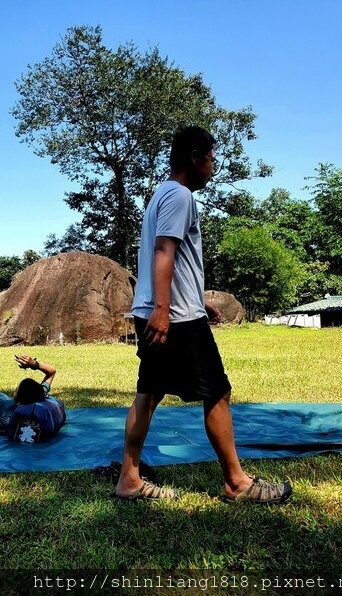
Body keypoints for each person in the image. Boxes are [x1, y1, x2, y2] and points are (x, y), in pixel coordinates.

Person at [115, 126, 292, 504]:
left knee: (147, 394)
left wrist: (197, 298)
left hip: (163, 311)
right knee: (217, 392)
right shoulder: (180, 196)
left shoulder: (162, 194)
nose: (213, 166)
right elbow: (165, 251)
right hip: (175, 318)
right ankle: (236, 482)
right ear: (195, 157)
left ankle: (129, 479)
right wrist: (166, 310)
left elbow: (173, 259)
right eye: (212, 158)